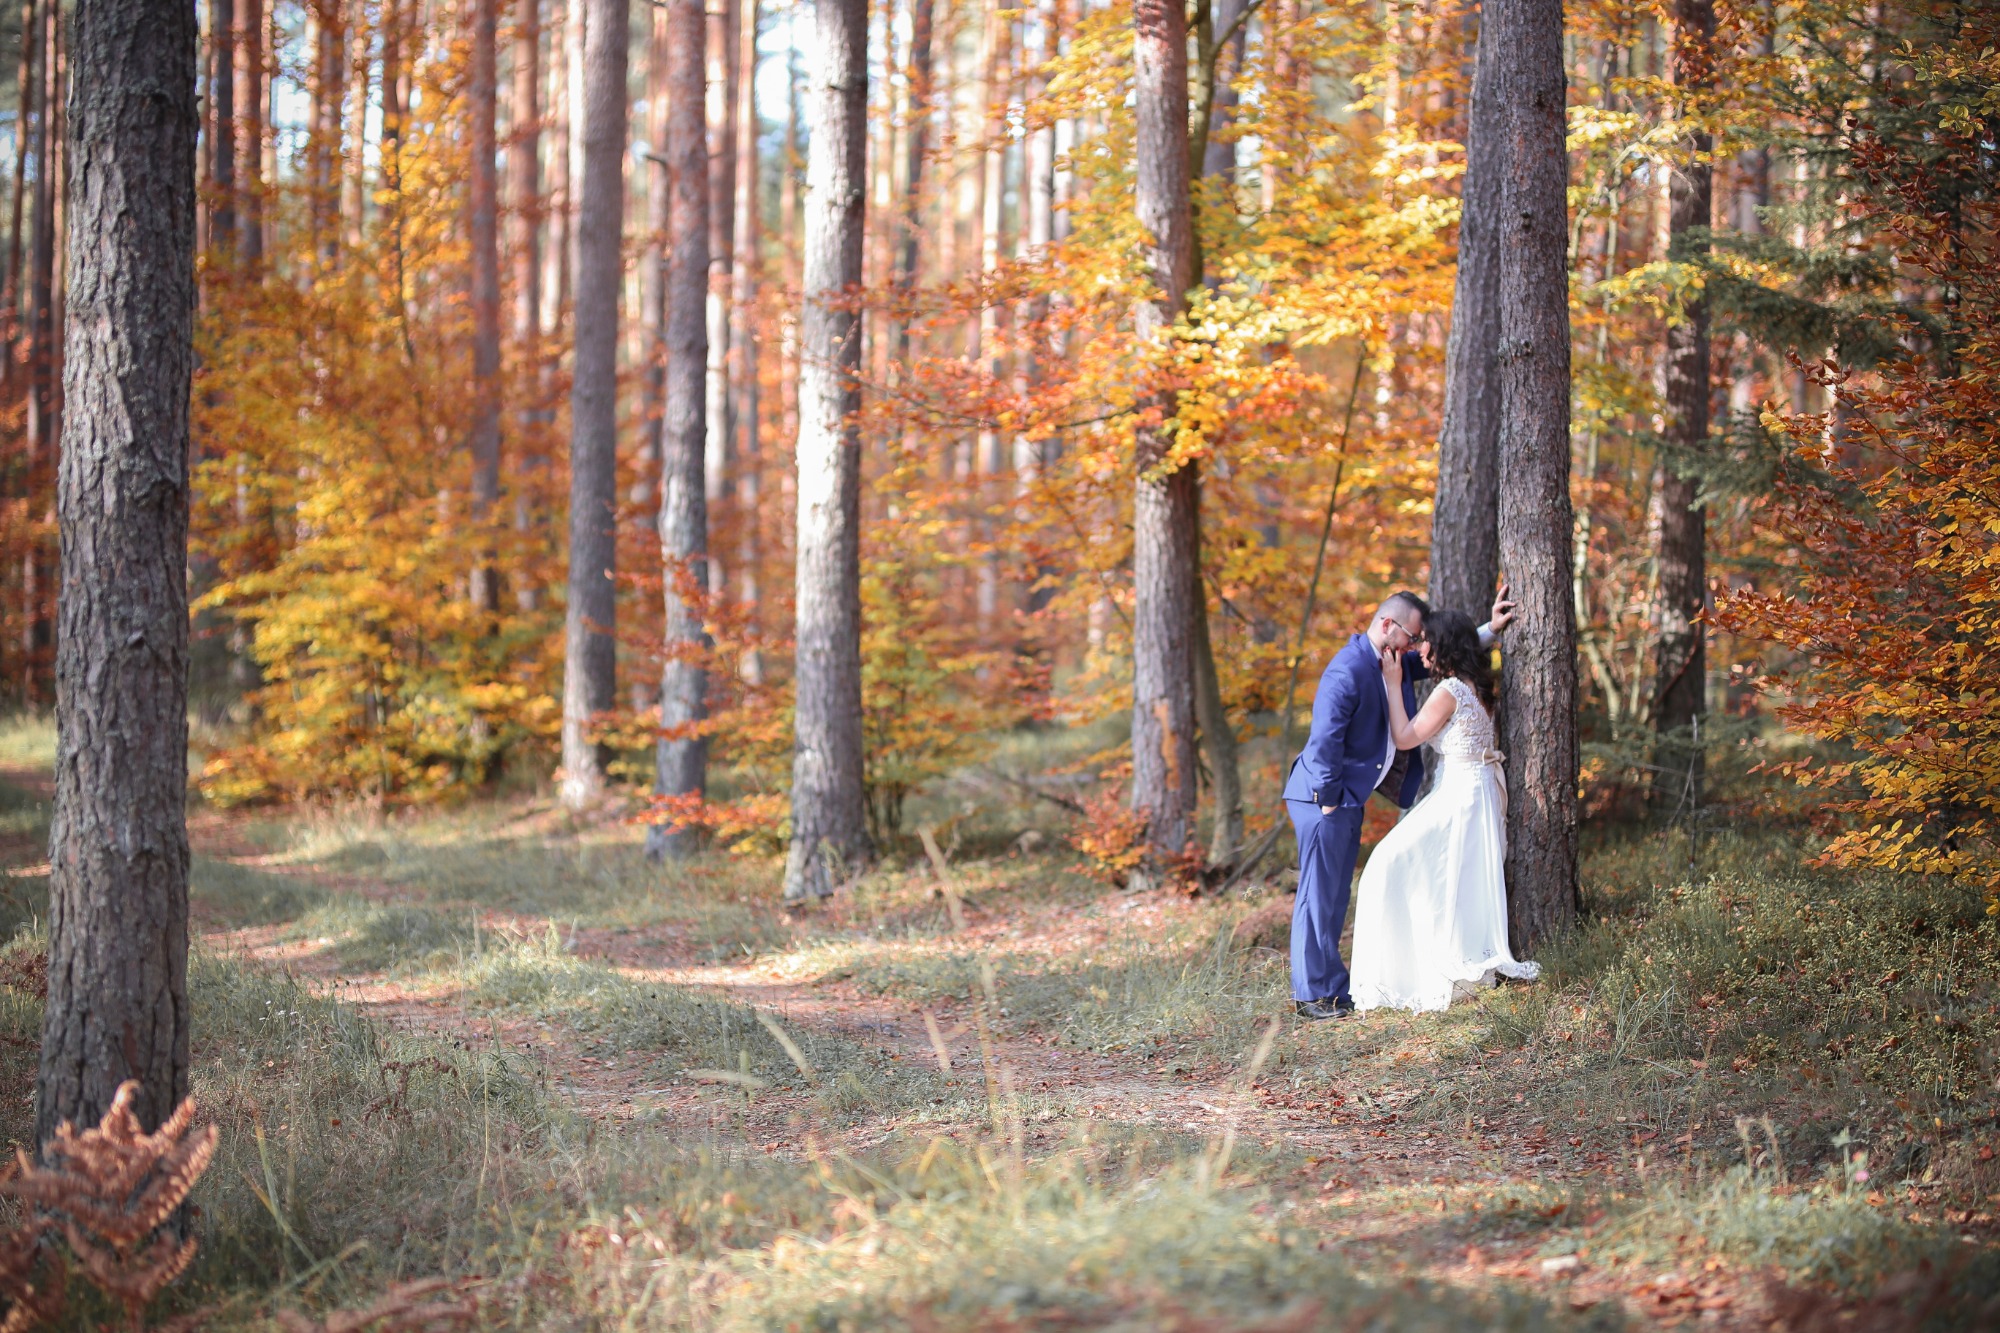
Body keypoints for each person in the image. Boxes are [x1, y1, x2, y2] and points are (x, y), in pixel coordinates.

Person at [1281, 588, 1513, 1020]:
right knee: (1318, 895)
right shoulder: (1348, 669)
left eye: (1420, 639)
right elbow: (1325, 740)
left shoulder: (1392, 658)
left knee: (1334, 895)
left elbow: (1446, 654)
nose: (1414, 646)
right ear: (1388, 625)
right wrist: (1329, 801)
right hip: (1323, 798)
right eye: (1411, 635)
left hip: (1347, 798)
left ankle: (1334, 988)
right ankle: (1312, 995)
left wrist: (1491, 629)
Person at [1349, 609, 1541, 1012]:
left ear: (1444, 646)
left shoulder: (1450, 690)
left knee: (1387, 864)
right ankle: (1435, 957)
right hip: (1475, 791)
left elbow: (1405, 738)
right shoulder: (1476, 685)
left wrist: (1393, 683)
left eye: (1427, 641)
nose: (1420, 649)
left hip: (1461, 795)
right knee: (1453, 878)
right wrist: (1492, 626)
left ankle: (1410, 970)